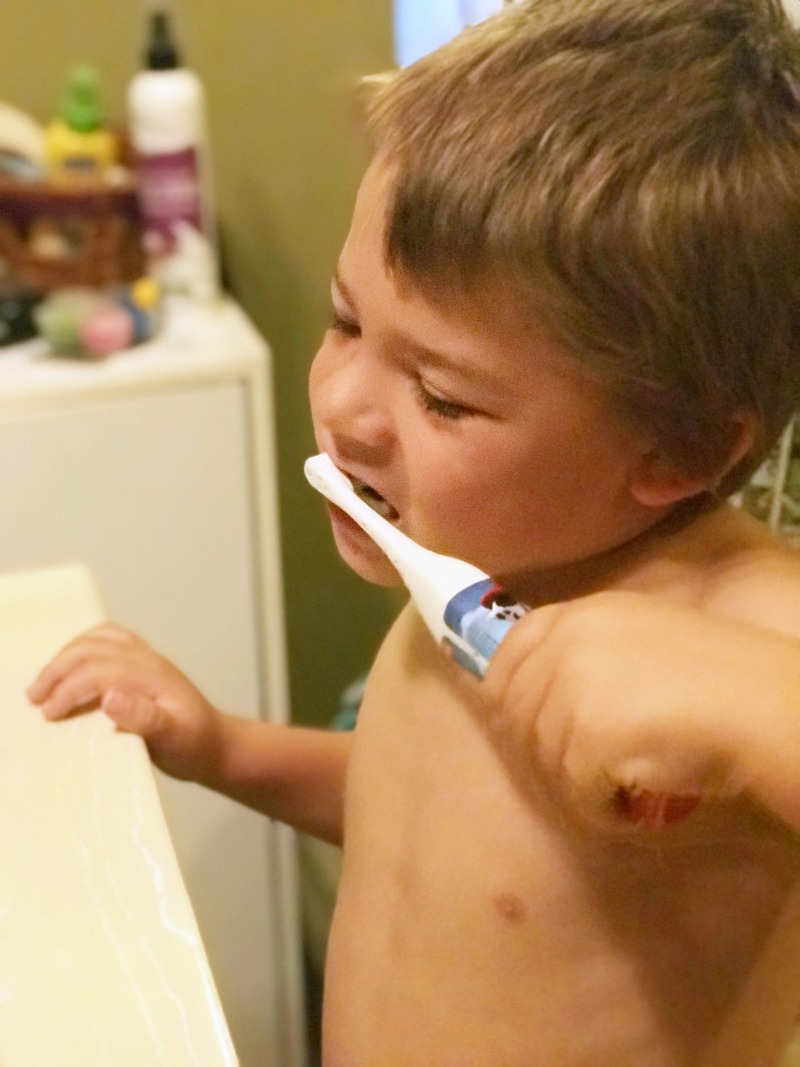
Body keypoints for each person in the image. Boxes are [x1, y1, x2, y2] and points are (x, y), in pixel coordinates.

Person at [27, 1, 800, 1063]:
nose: (342, 404)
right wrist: (223, 746)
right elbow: (420, 821)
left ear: (675, 450)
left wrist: (759, 702)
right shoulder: (478, 575)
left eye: (440, 395)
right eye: (347, 321)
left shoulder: (739, 619)